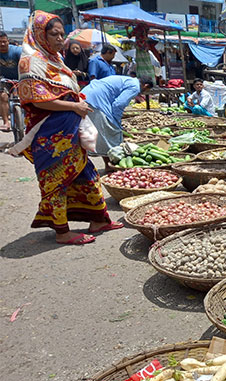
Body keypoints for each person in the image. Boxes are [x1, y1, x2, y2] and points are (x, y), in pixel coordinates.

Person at [9, 11, 122, 245]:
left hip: (70, 133)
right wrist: (74, 106)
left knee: (87, 174)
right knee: (56, 181)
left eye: (62, 34)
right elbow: (37, 100)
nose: (61, 39)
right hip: (50, 134)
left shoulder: (55, 59)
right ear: (40, 35)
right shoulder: (30, 61)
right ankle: (62, 232)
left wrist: (76, 106)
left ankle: (99, 219)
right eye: (54, 34)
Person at [81, 75, 153, 158]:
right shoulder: (135, 87)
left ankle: (105, 162)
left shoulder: (128, 80)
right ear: (146, 85)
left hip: (86, 96)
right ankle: (111, 163)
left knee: (95, 133)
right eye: (146, 90)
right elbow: (118, 105)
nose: (143, 92)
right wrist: (117, 123)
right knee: (111, 132)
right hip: (96, 100)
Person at [0, 31, 22, 131]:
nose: (2, 44)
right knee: (3, 97)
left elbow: (26, 63)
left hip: (20, 79)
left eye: (4, 41)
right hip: (4, 80)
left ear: (8, 41)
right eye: (0, 42)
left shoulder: (17, 51)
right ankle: (6, 122)